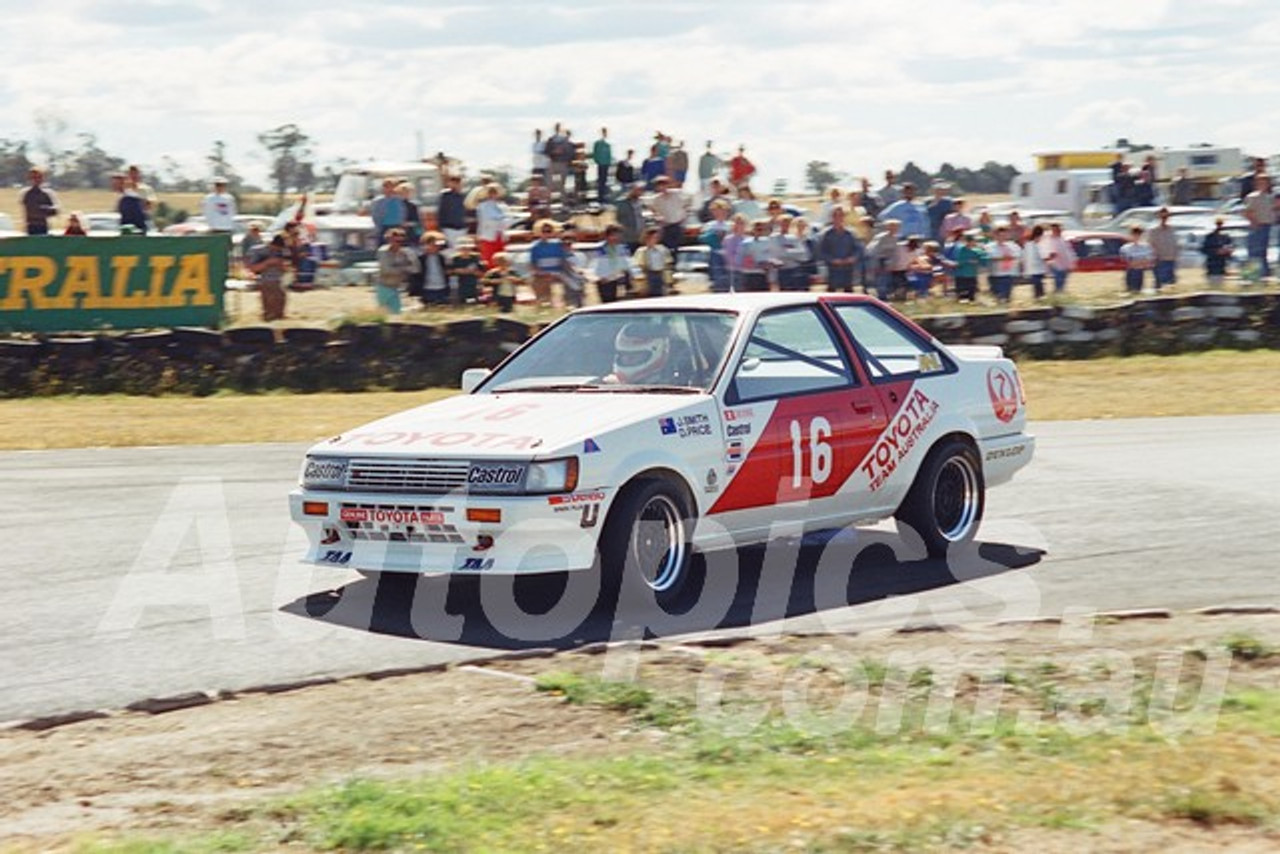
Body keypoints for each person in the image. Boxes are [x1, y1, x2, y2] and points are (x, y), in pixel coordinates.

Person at [608, 321, 672, 385]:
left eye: (634, 355)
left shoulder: (672, 388)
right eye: (623, 355)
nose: (626, 360)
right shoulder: (604, 388)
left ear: (657, 353)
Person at [817, 206, 862, 293]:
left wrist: (853, 258)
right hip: (833, 269)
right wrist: (832, 260)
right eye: (836, 216)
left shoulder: (851, 233)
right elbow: (821, 251)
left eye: (841, 215)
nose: (839, 218)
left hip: (848, 268)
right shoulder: (826, 234)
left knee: (848, 292)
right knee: (832, 292)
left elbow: (858, 248)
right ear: (832, 217)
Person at [374, 228, 420, 315]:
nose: (398, 244)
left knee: (396, 313)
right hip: (384, 286)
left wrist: (399, 267)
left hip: (396, 287)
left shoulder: (406, 253)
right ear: (389, 240)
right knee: (383, 313)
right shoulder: (383, 252)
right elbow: (386, 270)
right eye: (396, 241)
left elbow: (415, 269)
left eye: (401, 241)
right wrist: (404, 268)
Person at [251, 234, 290, 321]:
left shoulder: (283, 252)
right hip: (265, 280)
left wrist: (282, 265)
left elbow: (287, 268)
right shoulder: (259, 251)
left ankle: (278, 316)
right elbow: (253, 268)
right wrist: (268, 263)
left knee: (280, 299)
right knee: (269, 301)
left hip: (279, 281)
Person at [1243, 175, 1275, 280]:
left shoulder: (1269, 197)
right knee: (1254, 253)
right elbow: (1248, 212)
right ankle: (1251, 277)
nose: (1263, 185)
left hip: (1267, 226)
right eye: (1261, 182)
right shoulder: (1252, 197)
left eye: (1265, 182)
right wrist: (1254, 223)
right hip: (1257, 226)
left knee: (1263, 252)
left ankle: (1264, 276)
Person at [529, 219, 567, 306]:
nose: (546, 233)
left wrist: (560, 273)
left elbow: (564, 260)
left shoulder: (559, 245)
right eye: (544, 231)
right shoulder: (535, 246)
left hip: (559, 273)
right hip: (542, 274)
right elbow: (533, 263)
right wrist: (541, 273)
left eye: (549, 231)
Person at [699, 200, 732, 292]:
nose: (720, 213)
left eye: (722, 210)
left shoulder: (731, 225)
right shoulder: (709, 225)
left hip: (729, 254)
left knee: (730, 277)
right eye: (716, 210)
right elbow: (703, 238)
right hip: (715, 254)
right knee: (718, 278)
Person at [594, 224, 631, 303]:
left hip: (619, 280)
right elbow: (596, 266)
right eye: (613, 235)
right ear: (607, 236)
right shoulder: (601, 249)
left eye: (618, 235)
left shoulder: (623, 248)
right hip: (605, 281)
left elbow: (627, 264)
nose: (616, 238)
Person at [651, 175, 688, 253]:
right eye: (660, 185)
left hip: (677, 225)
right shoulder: (656, 199)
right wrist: (659, 219)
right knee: (667, 248)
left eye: (664, 185)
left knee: (677, 247)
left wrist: (683, 218)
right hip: (666, 226)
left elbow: (686, 205)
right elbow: (654, 211)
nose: (662, 187)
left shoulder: (677, 194)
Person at [632, 226, 672, 297]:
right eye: (652, 237)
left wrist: (669, 281)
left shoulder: (662, 249)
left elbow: (668, 264)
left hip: (660, 275)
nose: (654, 240)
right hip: (648, 275)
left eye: (656, 237)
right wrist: (640, 284)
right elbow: (637, 267)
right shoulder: (641, 251)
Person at [1146, 208, 1180, 290]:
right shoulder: (1153, 231)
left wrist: (1176, 256)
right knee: (1159, 284)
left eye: (1166, 217)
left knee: (1171, 284)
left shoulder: (1172, 230)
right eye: (1162, 217)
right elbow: (1150, 245)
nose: (1164, 219)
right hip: (1159, 261)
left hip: (1171, 260)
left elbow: (1175, 244)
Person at [474, 184, 507, 267]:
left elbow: (506, 219)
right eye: (490, 192)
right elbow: (485, 221)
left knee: (501, 259)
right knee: (488, 260)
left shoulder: (501, 206)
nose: (492, 194)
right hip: (487, 236)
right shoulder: (482, 206)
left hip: (500, 235)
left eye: (494, 192)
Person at [20, 168, 59, 235]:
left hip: (43, 226)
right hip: (31, 226)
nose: (36, 180)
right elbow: (28, 210)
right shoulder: (26, 194)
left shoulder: (47, 194)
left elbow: (56, 210)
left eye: (39, 177)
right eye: (33, 177)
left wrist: (45, 208)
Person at [988, 226, 1021, 302]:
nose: (1002, 238)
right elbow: (991, 257)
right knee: (998, 296)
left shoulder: (1012, 245)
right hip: (996, 275)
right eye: (1000, 235)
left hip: (1008, 274)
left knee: (1006, 297)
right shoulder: (990, 246)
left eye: (1004, 235)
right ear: (995, 235)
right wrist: (1003, 258)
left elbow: (1017, 255)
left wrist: (1007, 258)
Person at [1041, 222, 1077, 294]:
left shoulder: (1062, 239)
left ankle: (1060, 294)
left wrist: (1072, 261)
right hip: (1055, 264)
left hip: (1065, 264)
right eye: (1055, 229)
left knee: (1062, 281)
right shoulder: (1048, 239)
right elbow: (1046, 251)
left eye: (1059, 229)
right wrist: (1049, 256)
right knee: (1058, 280)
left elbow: (1068, 251)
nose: (1058, 231)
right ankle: (1057, 294)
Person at [437, 174, 468, 253]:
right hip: (449, 227)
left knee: (462, 246)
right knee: (452, 247)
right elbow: (441, 211)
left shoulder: (464, 196)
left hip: (462, 226)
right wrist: (441, 226)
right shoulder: (445, 196)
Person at [740, 219, 774, 292]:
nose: (760, 232)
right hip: (749, 274)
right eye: (757, 229)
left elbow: (773, 256)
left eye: (762, 229)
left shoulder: (769, 242)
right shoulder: (746, 243)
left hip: (764, 275)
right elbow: (742, 259)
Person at [952, 233, 987, 302]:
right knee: (962, 295)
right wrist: (968, 261)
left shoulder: (978, 251)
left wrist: (979, 260)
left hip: (972, 275)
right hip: (961, 275)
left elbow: (984, 261)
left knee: (971, 295)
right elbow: (958, 261)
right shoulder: (960, 250)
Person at [418, 231, 450, 306]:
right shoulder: (420, 258)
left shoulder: (443, 257)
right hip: (427, 289)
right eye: (433, 245)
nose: (436, 247)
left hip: (442, 288)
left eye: (437, 246)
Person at [1200, 218, 1234, 287]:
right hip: (1212, 265)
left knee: (1221, 284)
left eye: (1221, 225)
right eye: (1218, 225)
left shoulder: (1226, 238)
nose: (1220, 227)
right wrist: (1216, 251)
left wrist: (1228, 252)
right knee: (1212, 284)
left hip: (1222, 265)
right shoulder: (1209, 237)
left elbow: (1230, 249)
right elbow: (1204, 249)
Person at [1120, 226, 1154, 294]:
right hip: (1131, 272)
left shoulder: (1146, 247)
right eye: (1134, 234)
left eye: (1138, 234)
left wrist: (1137, 262)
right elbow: (1128, 262)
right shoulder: (1126, 248)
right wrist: (1139, 261)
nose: (1136, 236)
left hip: (1140, 271)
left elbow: (1148, 261)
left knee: (1139, 290)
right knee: (1130, 290)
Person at [449, 237, 483, 304]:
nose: (466, 250)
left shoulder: (476, 258)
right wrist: (458, 271)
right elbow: (449, 271)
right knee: (461, 302)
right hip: (459, 286)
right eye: (463, 248)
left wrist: (472, 272)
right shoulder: (455, 259)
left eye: (468, 248)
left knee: (472, 301)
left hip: (473, 285)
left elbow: (481, 272)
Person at [614, 182, 646, 251]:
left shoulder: (641, 203)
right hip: (627, 238)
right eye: (636, 190)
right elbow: (617, 218)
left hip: (640, 237)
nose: (638, 192)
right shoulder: (621, 203)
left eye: (640, 190)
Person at [721, 214, 749, 293]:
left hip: (747, 271)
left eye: (742, 223)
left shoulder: (748, 239)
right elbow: (729, 256)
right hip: (733, 272)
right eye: (737, 223)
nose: (739, 225)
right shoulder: (728, 239)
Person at [1021, 224, 1047, 299]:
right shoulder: (1031, 245)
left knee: (1038, 286)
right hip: (1034, 270)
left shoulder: (1030, 244)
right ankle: (1039, 299)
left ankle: (1039, 299)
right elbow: (1029, 258)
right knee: (1038, 286)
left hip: (1037, 270)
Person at [591, 127, 612, 203]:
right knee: (601, 181)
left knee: (604, 180)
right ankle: (600, 197)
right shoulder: (598, 143)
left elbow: (609, 155)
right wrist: (597, 161)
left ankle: (604, 196)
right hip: (601, 164)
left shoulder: (607, 145)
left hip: (606, 164)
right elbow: (595, 153)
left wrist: (609, 162)